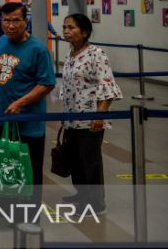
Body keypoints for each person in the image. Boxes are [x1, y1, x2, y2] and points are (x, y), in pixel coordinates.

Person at [0, 2, 56, 206]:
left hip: (29, 124)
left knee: (29, 172)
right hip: (4, 120)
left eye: (15, 20)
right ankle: (6, 210)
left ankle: (29, 215)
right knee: (5, 167)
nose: (10, 26)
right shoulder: (2, 41)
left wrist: (20, 103)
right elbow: (0, 75)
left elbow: (47, 83)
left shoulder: (38, 49)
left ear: (25, 21)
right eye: (6, 20)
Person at [60, 13, 122, 214]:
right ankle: (82, 194)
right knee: (75, 158)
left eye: (71, 27)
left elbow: (107, 85)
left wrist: (100, 115)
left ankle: (95, 202)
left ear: (84, 31)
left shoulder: (97, 54)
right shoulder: (70, 54)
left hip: (90, 118)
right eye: (65, 27)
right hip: (72, 117)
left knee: (89, 160)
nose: (66, 31)